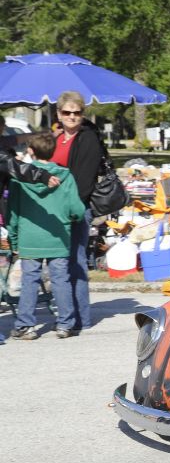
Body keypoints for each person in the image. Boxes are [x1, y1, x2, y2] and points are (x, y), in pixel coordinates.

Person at [7, 133, 85, 340]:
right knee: (60, 280)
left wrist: (14, 239)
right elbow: (76, 208)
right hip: (58, 234)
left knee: (29, 281)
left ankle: (26, 325)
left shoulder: (19, 179)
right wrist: (72, 218)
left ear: (30, 151)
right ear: (53, 151)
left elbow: (12, 212)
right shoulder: (65, 175)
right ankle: (65, 324)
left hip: (29, 236)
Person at [50, 91, 103, 331]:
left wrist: (71, 208)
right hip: (54, 207)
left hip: (76, 207)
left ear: (83, 114)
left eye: (77, 112)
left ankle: (80, 318)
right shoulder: (57, 137)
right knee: (61, 262)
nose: (72, 116)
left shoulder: (88, 138)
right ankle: (67, 313)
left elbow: (84, 181)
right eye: (67, 112)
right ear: (58, 114)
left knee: (75, 261)